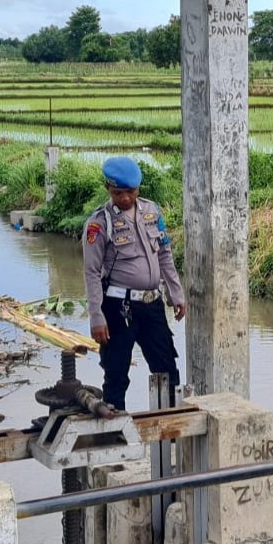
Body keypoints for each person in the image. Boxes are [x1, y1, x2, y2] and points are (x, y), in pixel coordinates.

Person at [82, 156, 186, 410]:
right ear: (108, 189)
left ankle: (170, 436)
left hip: (152, 305)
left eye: (131, 191)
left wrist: (176, 293)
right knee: (116, 375)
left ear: (139, 188)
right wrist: (96, 316)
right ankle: (115, 438)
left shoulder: (152, 212)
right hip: (118, 308)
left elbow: (164, 254)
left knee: (167, 371)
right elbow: (92, 272)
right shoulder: (99, 223)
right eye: (119, 192)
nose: (126, 198)